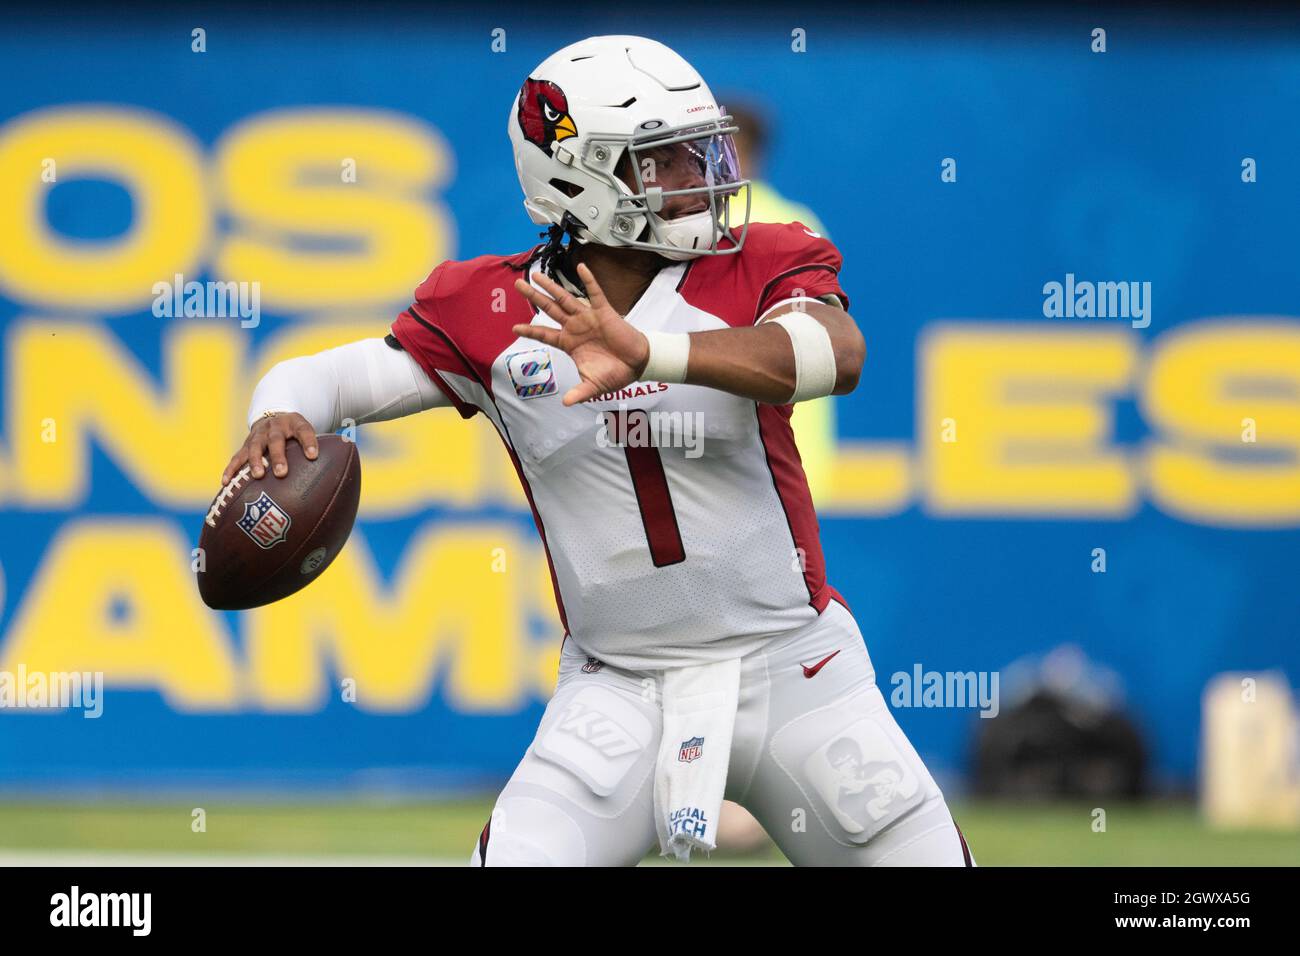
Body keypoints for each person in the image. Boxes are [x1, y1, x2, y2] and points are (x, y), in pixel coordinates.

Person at [224, 35, 972, 867]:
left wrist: (653, 355)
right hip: (619, 688)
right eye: (667, 160)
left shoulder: (761, 256)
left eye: (701, 149)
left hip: (797, 668)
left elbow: (837, 353)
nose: (702, 176)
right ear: (578, 176)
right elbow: (334, 377)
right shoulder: (494, 305)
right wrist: (278, 409)